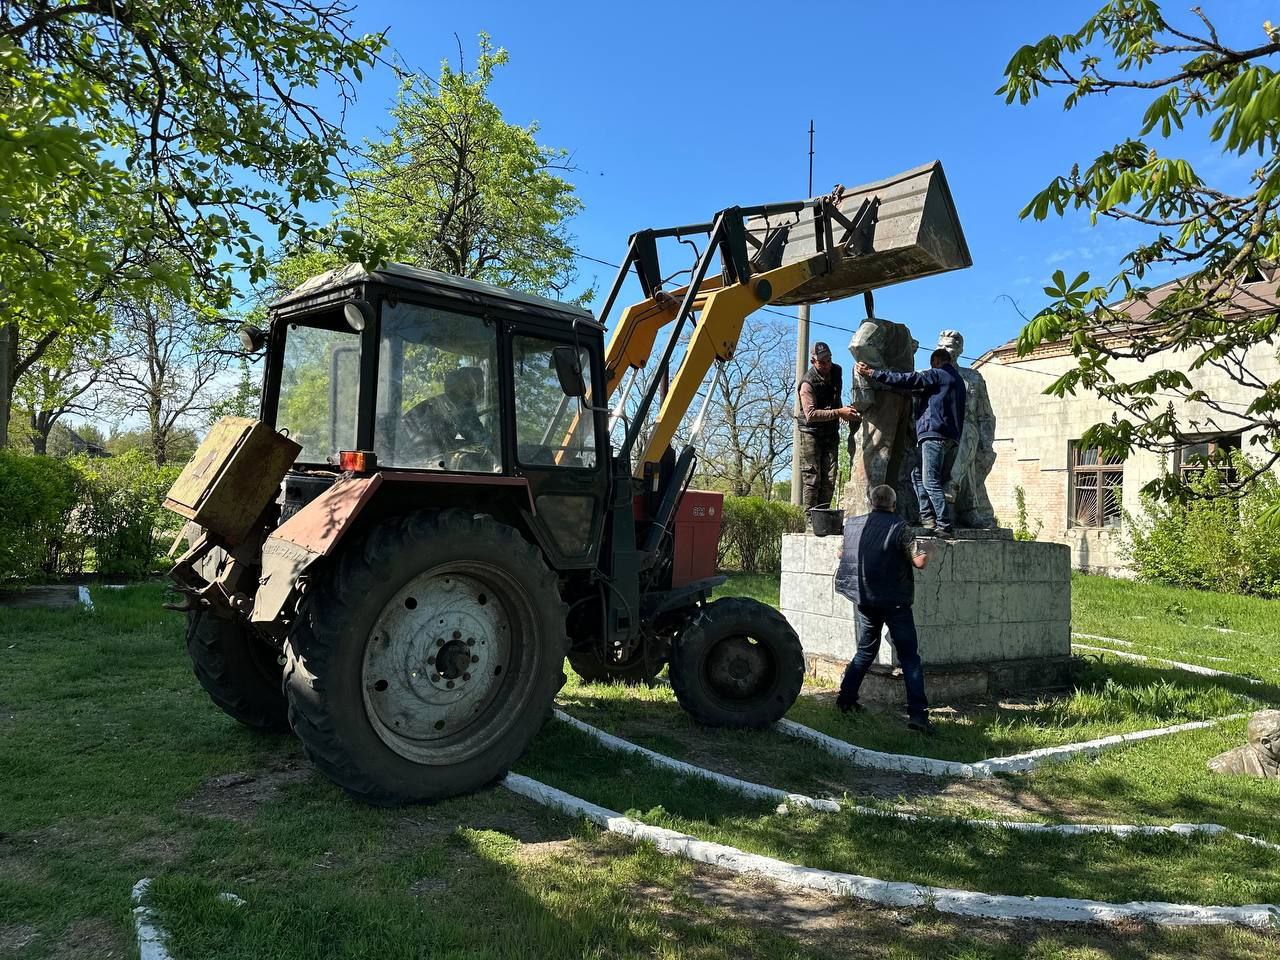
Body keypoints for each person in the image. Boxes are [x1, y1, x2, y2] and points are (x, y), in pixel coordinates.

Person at [832, 484, 932, 732]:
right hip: (895, 601)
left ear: (871, 502)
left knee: (866, 651)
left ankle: (846, 701)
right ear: (894, 504)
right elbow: (919, 562)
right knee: (909, 657)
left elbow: (840, 553)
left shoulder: (853, 525)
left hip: (866, 599)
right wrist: (929, 549)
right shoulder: (900, 527)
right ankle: (918, 716)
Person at [856, 348, 966, 536]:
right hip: (950, 438)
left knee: (930, 481)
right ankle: (927, 518)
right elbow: (932, 397)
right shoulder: (957, 381)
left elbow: (909, 380)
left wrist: (873, 373)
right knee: (917, 473)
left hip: (934, 435)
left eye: (932, 364)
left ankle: (944, 525)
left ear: (937, 361)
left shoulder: (938, 374)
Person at [797, 341, 858, 516]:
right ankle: (810, 518)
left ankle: (822, 515)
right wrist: (839, 412)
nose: (827, 365)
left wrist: (844, 412)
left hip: (831, 432)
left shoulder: (837, 371)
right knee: (812, 477)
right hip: (811, 433)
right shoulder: (807, 383)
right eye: (822, 362)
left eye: (829, 360)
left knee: (830, 476)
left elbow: (836, 394)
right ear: (813, 361)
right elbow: (811, 415)